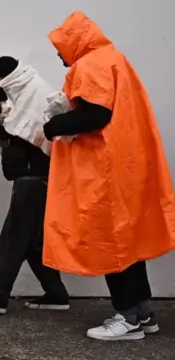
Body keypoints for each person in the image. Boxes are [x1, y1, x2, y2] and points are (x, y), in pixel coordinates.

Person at [41, 11, 175, 341]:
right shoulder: (114, 59)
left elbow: (97, 114)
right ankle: (143, 312)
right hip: (126, 165)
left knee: (110, 244)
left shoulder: (89, 64)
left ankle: (127, 317)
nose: (59, 55)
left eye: (60, 48)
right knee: (128, 245)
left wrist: (53, 125)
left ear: (74, 42)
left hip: (103, 170)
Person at [0, 56, 69, 315]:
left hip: (34, 176)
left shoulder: (38, 94)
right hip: (32, 177)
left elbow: (34, 134)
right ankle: (56, 294)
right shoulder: (13, 97)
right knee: (33, 241)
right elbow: (2, 131)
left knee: (14, 236)